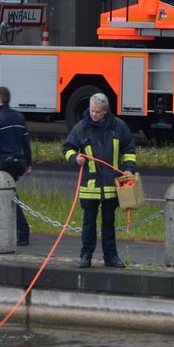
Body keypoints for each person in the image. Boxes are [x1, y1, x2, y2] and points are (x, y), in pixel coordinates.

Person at [62, 92, 137, 268]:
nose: (93, 114)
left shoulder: (118, 127)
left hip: (112, 186)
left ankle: (111, 257)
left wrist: (129, 168)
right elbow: (67, 148)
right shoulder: (81, 128)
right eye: (91, 110)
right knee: (88, 224)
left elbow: (129, 150)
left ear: (105, 111)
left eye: (97, 112)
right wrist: (75, 158)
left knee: (109, 224)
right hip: (90, 186)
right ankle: (86, 256)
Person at [0, 86, 32, 246]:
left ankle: (22, 230)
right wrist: (28, 162)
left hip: (3, 163)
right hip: (18, 162)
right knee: (9, 196)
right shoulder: (18, 117)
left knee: (8, 197)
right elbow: (26, 142)